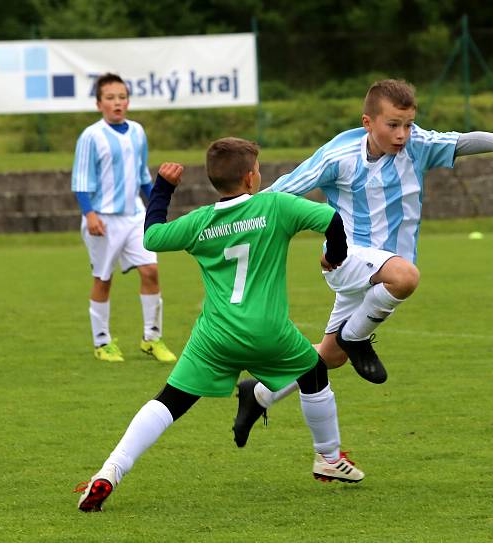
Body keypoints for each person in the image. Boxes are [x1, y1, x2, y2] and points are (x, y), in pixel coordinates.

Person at [232, 78, 493, 447]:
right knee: (406, 277)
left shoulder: (417, 146)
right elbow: (282, 191)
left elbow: (465, 141)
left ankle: (259, 394)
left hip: (378, 273)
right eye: (392, 125)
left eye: (408, 124)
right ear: (368, 122)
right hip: (347, 259)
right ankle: (358, 337)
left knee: (330, 357)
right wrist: (233, 213)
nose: (402, 134)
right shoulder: (340, 156)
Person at [75, 138, 362, 513]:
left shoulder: (201, 222)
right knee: (315, 373)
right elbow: (331, 219)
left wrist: (163, 188)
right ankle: (327, 457)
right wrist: (334, 257)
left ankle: (109, 471)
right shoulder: (275, 206)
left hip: (214, 337)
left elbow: (152, 236)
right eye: (257, 169)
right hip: (268, 332)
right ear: (249, 178)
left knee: (170, 402)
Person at [71, 72, 176, 363]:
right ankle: (102, 342)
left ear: (128, 100)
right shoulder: (91, 136)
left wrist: (158, 203)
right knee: (103, 279)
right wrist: (89, 213)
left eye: (122, 97)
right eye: (110, 98)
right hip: (102, 218)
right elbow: (80, 180)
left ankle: (152, 338)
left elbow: (142, 175)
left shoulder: (138, 132)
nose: (117, 103)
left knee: (151, 272)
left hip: (135, 217)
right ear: (99, 103)